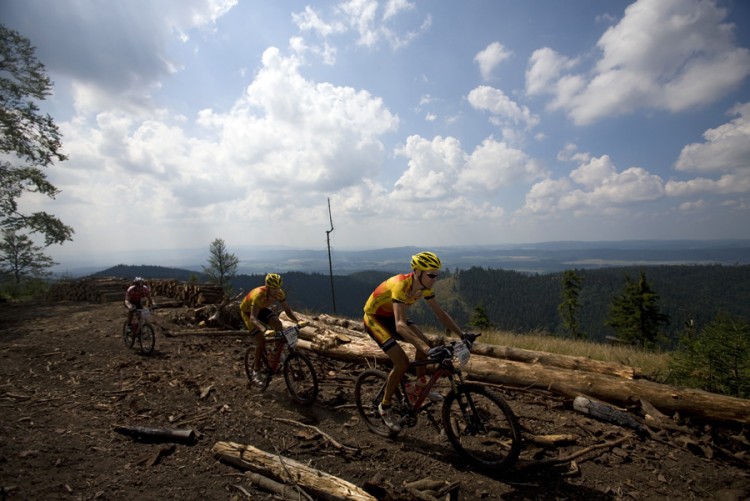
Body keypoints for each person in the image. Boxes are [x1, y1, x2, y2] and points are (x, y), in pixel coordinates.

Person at [363, 251, 465, 431]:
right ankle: (385, 407)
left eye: (437, 275)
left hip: (393, 317)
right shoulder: (400, 285)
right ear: (417, 272)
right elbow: (401, 325)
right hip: (375, 318)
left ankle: (419, 384)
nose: (435, 279)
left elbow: (440, 314)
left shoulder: (425, 287)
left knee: (426, 342)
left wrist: (462, 335)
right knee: (402, 363)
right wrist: (426, 349)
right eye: (431, 275)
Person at [240, 273, 302, 385]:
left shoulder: (280, 293)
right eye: (273, 289)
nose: (276, 291)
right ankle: (256, 370)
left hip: (262, 309)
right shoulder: (259, 295)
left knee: (277, 323)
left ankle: (277, 351)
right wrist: (264, 330)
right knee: (261, 341)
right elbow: (253, 318)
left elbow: (287, 311)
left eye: (278, 288)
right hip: (248, 312)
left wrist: (298, 320)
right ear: (267, 287)